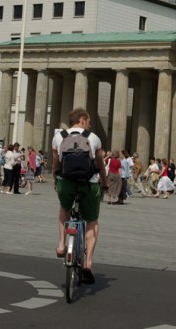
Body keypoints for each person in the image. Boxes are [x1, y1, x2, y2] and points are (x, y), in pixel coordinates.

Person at [53, 107, 108, 285]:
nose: (90, 124)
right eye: (89, 121)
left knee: (64, 208)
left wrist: (56, 177)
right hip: (88, 183)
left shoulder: (58, 136)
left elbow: (55, 161)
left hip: (66, 182)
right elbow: (99, 163)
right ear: (83, 119)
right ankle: (88, 264)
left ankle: (61, 245)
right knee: (92, 219)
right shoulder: (93, 138)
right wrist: (104, 182)